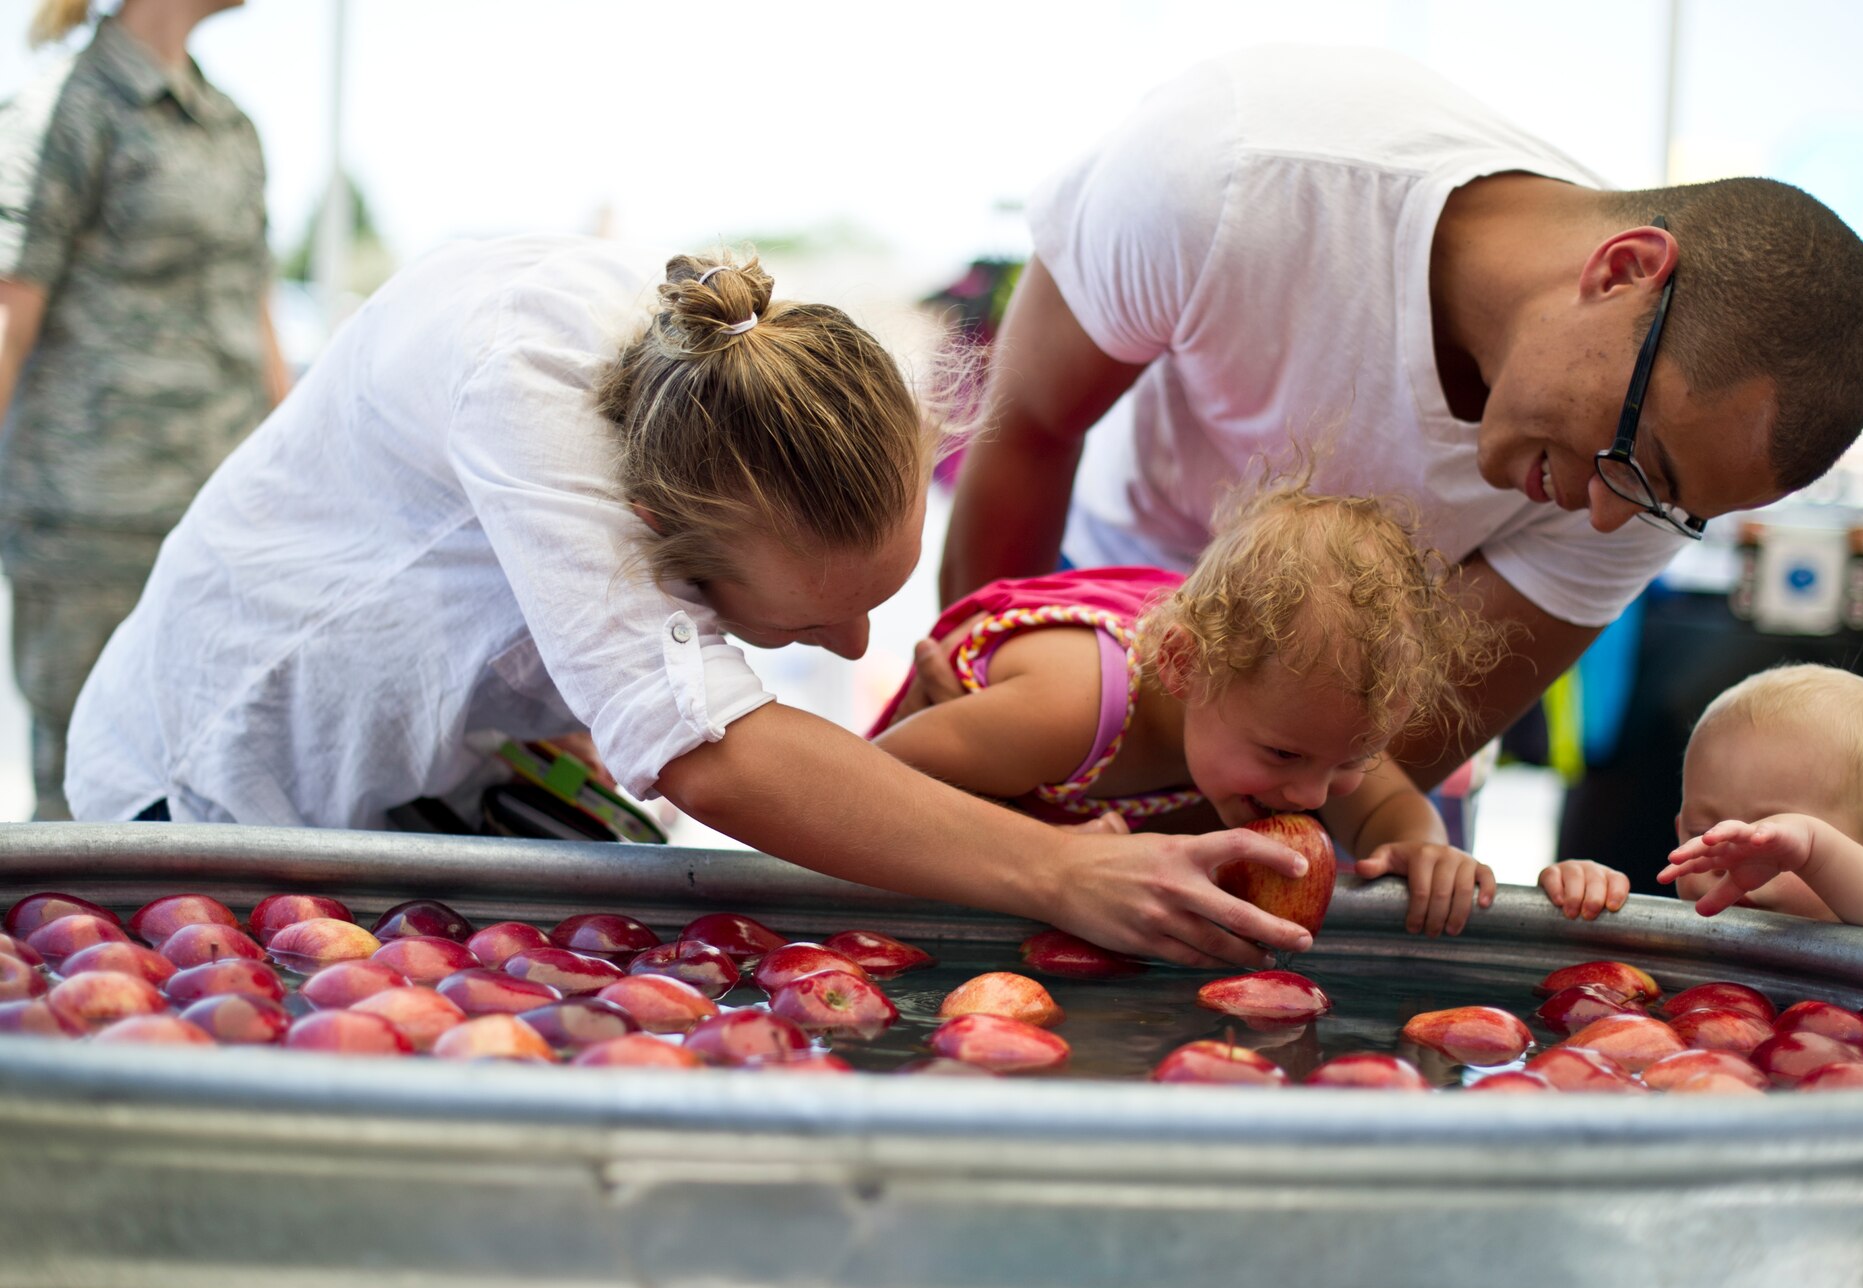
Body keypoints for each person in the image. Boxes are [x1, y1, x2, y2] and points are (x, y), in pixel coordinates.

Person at [66, 235, 1316, 970]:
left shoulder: (726, 384)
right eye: (805, 623)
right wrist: (1053, 869)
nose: (852, 645)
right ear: (652, 538)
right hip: (218, 780)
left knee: (653, 948)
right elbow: (707, 752)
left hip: (443, 769)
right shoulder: (527, 395)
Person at [931, 45, 1863, 791]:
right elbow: (1029, 430)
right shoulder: (1235, 175)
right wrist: (985, 679)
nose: (1607, 516)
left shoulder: (1644, 492)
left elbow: (1386, 762)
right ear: (1624, 271)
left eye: (1664, 507)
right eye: (1637, 457)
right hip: (1091, 629)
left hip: (1332, 732)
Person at [872, 477, 1507, 936]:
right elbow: (864, 786)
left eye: (1355, 759)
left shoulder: (1298, 728)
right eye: (1285, 754)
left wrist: (1420, 847)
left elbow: (1392, 810)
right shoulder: (1070, 711)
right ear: (1183, 666)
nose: (1315, 795)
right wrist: (1051, 847)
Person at [0, 0, 286, 819]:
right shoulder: (62, 111)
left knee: (207, 792)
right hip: (90, 524)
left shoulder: (230, 126)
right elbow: (6, 323)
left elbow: (253, 315)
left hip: (211, 524)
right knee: (81, 808)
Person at [1540, 665, 1863, 947]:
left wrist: (1815, 849)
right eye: (1702, 831)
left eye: (1773, 841)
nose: (1732, 857)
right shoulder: (1686, 945)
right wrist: (1586, 895)